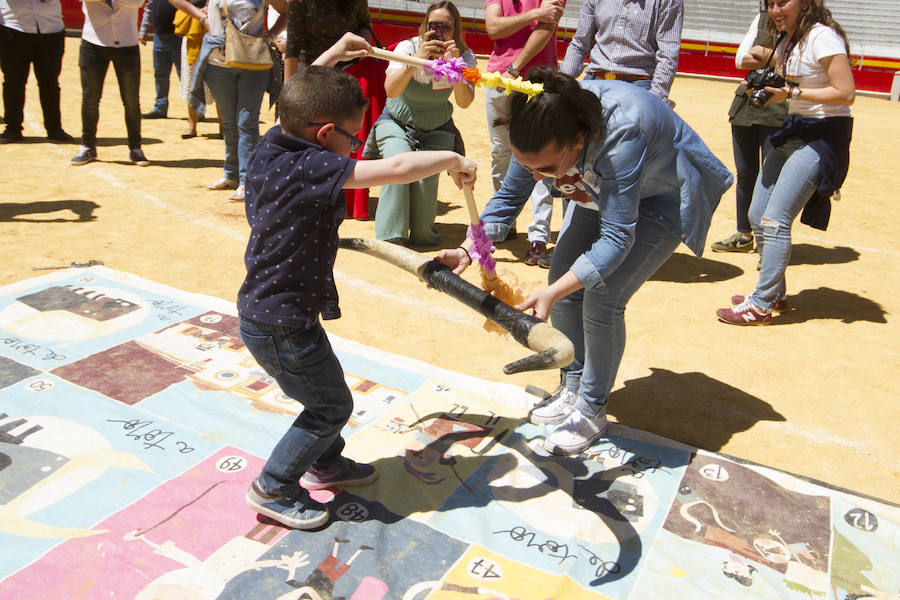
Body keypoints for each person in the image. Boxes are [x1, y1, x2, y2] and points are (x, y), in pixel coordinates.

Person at [238, 33, 477, 529]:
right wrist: (453, 157)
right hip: (282, 320)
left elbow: (296, 98)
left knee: (324, 394)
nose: (357, 142)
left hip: (277, 311)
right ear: (325, 135)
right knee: (329, 406)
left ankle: (324, 461)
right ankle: (275, 486)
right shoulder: (312, 166)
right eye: (353, 134)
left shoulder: (273, 145)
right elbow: (394, 167)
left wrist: (332, 58)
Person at [437, 69, 732, 456]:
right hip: (596, 186)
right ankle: (572, 384)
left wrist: (552, 293)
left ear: (578, 141)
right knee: (566, 279)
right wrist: (467, 249)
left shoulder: (623, 132)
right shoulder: (538, 124)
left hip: (661, 196)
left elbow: (617, 236)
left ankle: (592, 408)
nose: (537, 177)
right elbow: (509, 199)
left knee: (603, 297)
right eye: (529, 167)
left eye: (545, 169)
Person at [716, 0, 854, 325]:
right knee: (756, 212)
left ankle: (762, 304)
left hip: (823, 134)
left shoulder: (822, 37)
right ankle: (774, 291)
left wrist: (791, 92)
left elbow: (846, 93)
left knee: (775, 219)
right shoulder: (790, 38)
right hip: (795, 129)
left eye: (784, 2)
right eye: (772, 3)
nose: (776, 10)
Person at [366, 1, 476, 246]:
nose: (440, 32)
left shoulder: (465, 57)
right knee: (398, 167)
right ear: (425, 25)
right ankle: (390, 238)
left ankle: (421, 233)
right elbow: (391, 90)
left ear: (456, 30)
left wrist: (456, 66)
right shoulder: (408, 47)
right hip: (397, 122)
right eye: (435, 25)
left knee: (426, 181)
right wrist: (417, 60)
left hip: (437, 127)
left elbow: (465, 101)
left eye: (447, 27)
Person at [172, 0, 287, 201]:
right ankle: (231, 174)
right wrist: (201, 17)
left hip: (254, 62)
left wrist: (272, 34)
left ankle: (247, 180)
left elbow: (287, 11)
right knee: (229, 122)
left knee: (246, 122)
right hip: (218, 61)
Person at [483, 0, 564, 265]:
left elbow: (545, 28)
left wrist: (514, 69)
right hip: (499, 80)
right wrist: (535, 13)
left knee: (540, 161)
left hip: (536, 83)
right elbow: (493, 28)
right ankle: (502, 225)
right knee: (501, 154)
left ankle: (538, 236)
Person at [710, 3, 787, 254]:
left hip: (780, 107)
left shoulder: (806, 26)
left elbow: (794, 65)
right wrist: (774, 58)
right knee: (745, 173)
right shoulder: (762, 17)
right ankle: (744, 234)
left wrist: (762, 54)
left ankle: (768, 241)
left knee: (772, 177)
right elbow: (740, 59)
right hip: (746, 104)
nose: (775, 7)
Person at [70, 0, 150, 166]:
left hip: (127, 44)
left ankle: (136, 148)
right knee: (90, 98)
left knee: (131, 101)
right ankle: (87, 145)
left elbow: (138, 2)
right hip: (93, 43)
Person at [559, 0, 683, 106]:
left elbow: (667, 55)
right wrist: (562, 85)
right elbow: (580, 43)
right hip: (595, 81)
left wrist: (654, 100)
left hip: (638, 87)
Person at [0, 0, 72, 142]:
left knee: (50, 83)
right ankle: (13, 128)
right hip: (14, 27)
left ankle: (54, 129)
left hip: (51, 29)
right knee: (13, 82)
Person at [139, 0, 182, 119]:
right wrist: (143, 31)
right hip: (159, 36)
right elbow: (149, 8)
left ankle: (195, 109)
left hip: (180, 36)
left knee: (185, 75)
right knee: (160, 73)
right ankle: (160, 107)